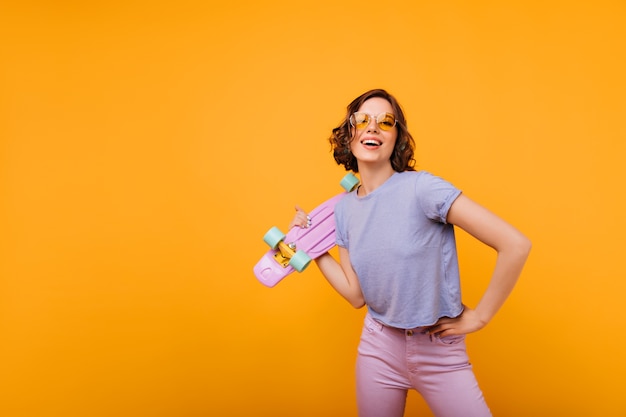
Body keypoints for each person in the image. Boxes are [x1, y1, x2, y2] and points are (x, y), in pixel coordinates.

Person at [288, 89, 531, 417]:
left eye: (385, 121)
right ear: (349, 133)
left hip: (438, 350)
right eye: (363, 120)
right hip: (378, 347)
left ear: (396, 137)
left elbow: (515, 244)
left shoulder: (423, 189)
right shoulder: (344, 210)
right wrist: (312, 246)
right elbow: (355, 295)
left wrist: (481, 316)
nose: (373, 127)